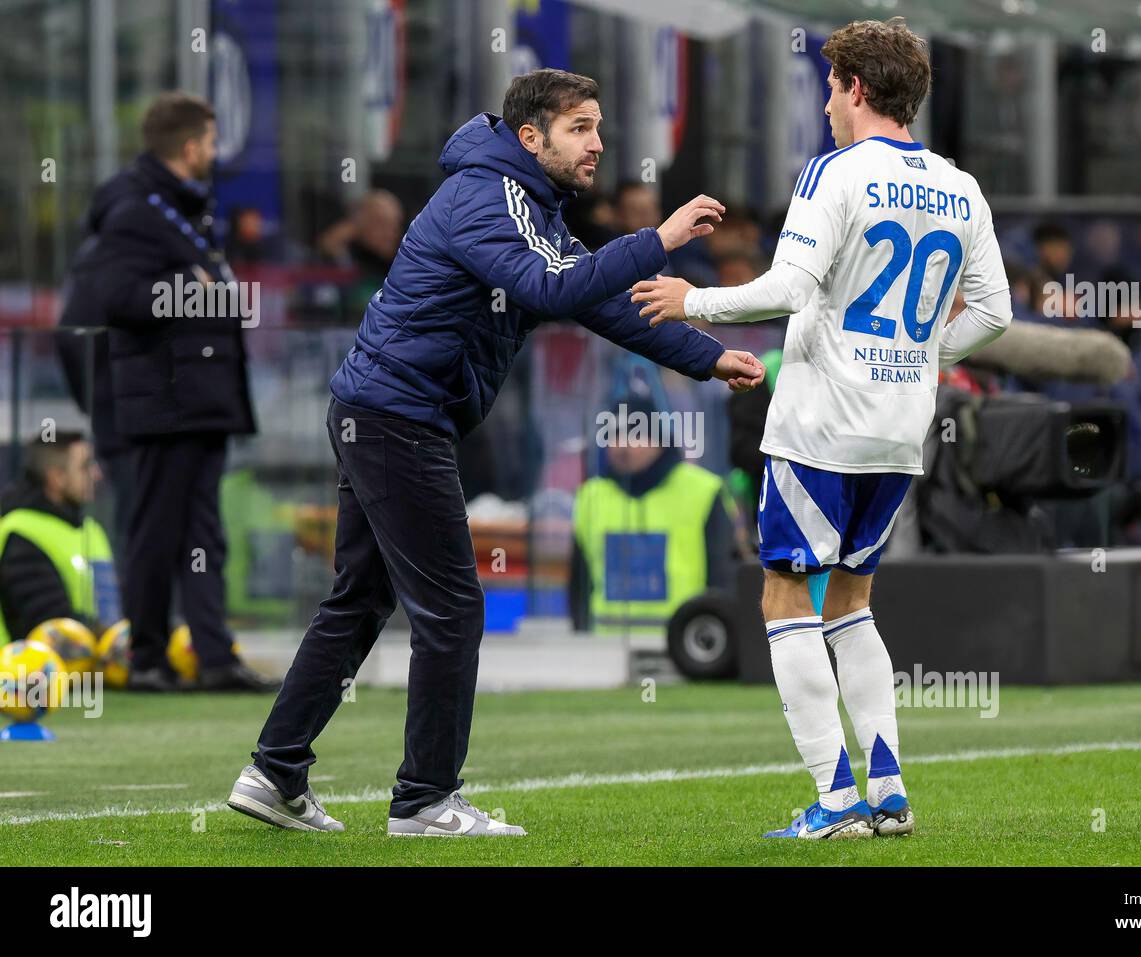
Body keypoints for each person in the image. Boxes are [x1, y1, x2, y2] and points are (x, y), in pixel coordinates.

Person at [228, 68, 764, 838]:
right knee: (452, 608)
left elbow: (597, 299)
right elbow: (547, 289)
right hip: (395, 417)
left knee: (359, 600)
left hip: (384, 412)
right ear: (530, 137)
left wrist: (705, 356)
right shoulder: (489, 195)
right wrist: (658, 240)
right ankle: (424, 799)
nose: (599, 145)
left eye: (600, 127)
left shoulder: (529, 203)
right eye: (581, 128)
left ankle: (276, 771)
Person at [632, 18, 1012, 839]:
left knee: (784, 593)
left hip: (821, 423)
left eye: (831, 87)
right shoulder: (960, 186)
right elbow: (995, 312)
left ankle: (835, 799)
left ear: (859, 89)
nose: (826, 104)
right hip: (899, 429)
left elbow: (790, 288)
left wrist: (688, 301)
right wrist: (916, 353)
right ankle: (889, 789)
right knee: (853, 600)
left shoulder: (837, 171)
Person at [57, 91, 275, 693]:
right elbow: (114, 298)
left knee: (205, 534)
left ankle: (213, 656)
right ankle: (147, 655)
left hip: (202, 398)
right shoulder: (132, 209)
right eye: (208, 140)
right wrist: (191, 286)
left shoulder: (184, 207)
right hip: (164, 399)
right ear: (188, 146)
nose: (213, 150)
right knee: (155, 531)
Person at [569, 394, 738, 635]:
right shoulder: (591, 496)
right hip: (604, 650)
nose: (623, 445)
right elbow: (579, 583)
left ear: (660, 441)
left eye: (636, 435)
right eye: (614, 436)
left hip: (685, 647)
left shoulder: (703, 491)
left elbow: (723, 577)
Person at [0, 433, 117, 644]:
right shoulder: (22, 533)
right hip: (37, 674)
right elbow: (47, 626)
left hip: (97, 670)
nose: (97, 474)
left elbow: (112, 609)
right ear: (56, 477)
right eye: (85, 466)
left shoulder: (90, 530)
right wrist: (110, 637)